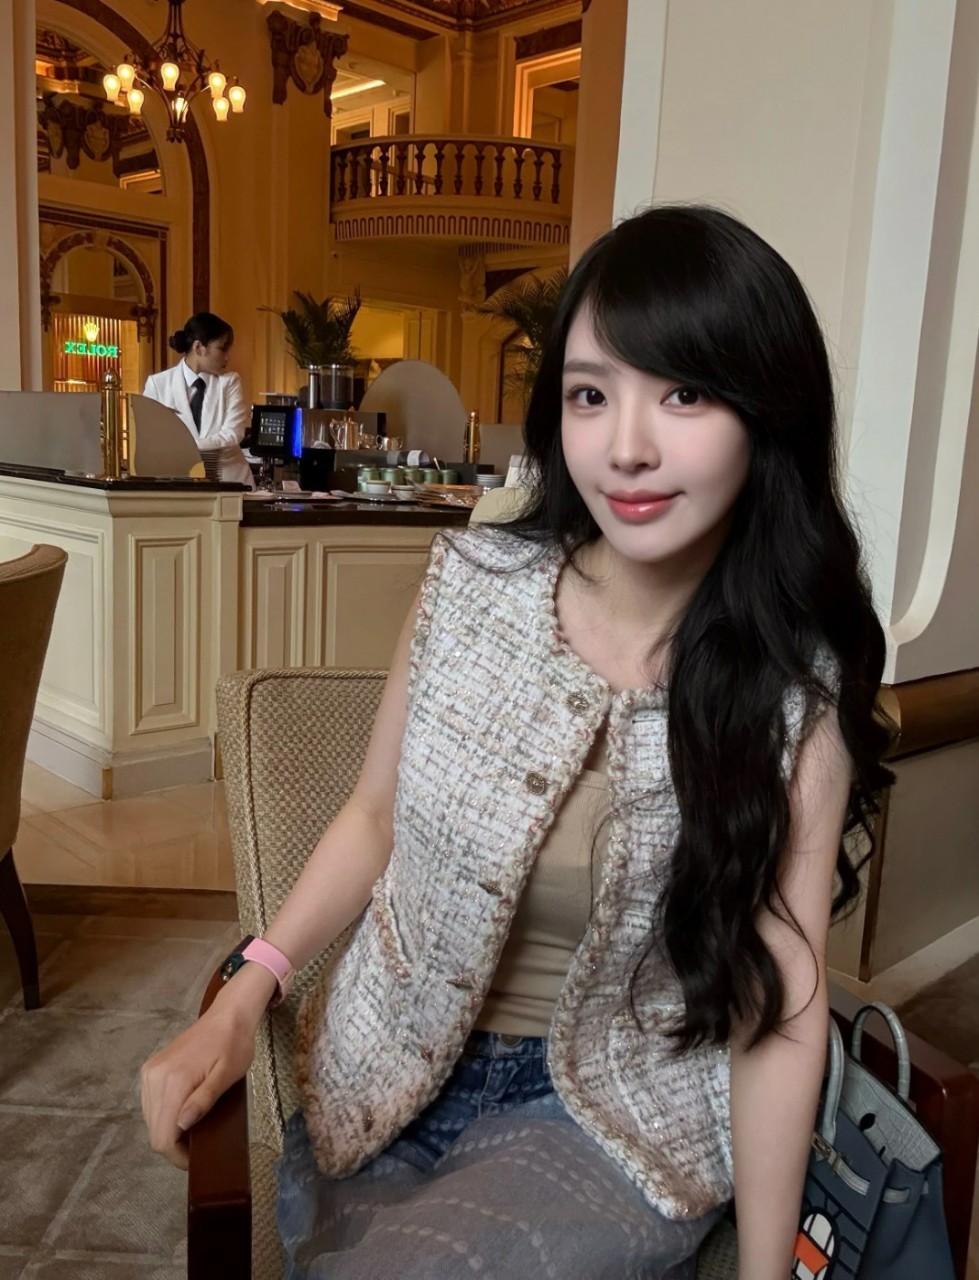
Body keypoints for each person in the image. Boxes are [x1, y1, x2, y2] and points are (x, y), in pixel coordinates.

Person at [141, 206, 893, 1279]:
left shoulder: (788, 694)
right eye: (591, 394)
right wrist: (246, 989)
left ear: (765, 414)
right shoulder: (468, 588)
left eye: (683, 393)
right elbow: (372, 818)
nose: (625, 447)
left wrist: (765, 1273)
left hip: (610, 1121)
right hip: (381, 1069)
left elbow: (780, 1005)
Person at [143, 312, 254, 487]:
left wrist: (184, 447)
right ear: (198, 348)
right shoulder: (158, 384)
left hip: (229, 481)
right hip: (179, 481)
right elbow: (151, 437)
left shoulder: (230, 381)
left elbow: (233, 434)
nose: (227, 357)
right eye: (222, 349)